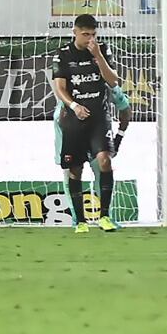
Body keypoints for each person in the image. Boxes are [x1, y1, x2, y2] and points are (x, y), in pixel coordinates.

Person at [48, 14, 125, 234]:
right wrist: (74, 106)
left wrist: (98, 56)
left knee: (104, 161)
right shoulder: (63, 54)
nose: (89, 38)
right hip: (73, 119)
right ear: (75, 32)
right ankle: (80, 221)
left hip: (99, 118)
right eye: (85, 34)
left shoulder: (102, 50)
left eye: (93, 34)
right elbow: (59, 88)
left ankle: (105, 216)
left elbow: (113, 81)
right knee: (75, 169)